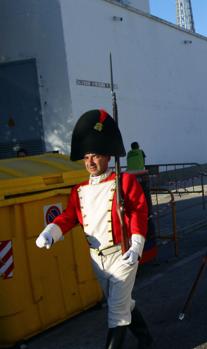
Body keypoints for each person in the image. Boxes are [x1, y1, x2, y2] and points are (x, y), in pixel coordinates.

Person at [35, 109, 152, 349]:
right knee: (123, 303)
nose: (90, 162)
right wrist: (52, 231)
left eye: (96, 156)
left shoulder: (124, 182)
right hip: (97, 260)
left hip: (122, 255)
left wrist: (137, 245)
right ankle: (145, 338)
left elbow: (139, 211)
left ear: (108, 157)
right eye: (87, 157)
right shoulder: (79, 190)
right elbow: (69, 217)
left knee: (116, 312)